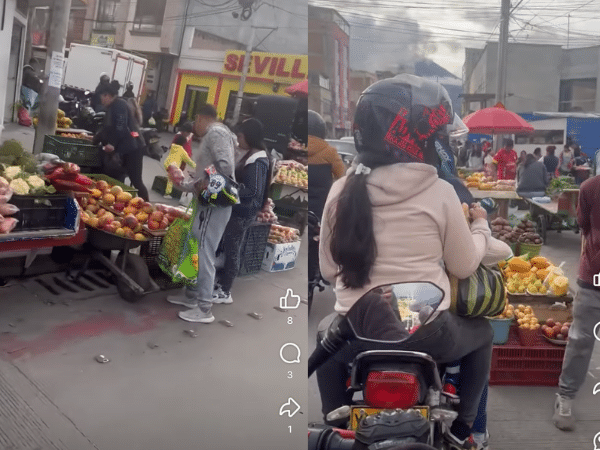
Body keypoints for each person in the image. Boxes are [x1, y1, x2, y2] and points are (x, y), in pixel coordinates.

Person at [318, 74, 494, 450]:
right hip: (425, 330)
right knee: (481, 334)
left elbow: (328, 271)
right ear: (421, 137)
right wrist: (481, 228)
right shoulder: (441, 191)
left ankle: (333, 429)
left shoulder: (341, 190)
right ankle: (465, 428)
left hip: (355, 331)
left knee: (323, 334)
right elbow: (463, 267)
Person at [166, 104, 236, 324]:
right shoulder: (219, 133)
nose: (194, 126)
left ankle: (204, 308)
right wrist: (188, 183)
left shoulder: (216, 132)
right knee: (195, 245)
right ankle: (191, 295)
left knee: (204, 250)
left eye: (196, 120)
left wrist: (196, 182)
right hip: (206, 203)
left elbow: (225, 166)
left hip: (213, 205)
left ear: (202, 117)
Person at [553, 174, 600, 431]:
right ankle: (565, 397)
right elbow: (583, 226)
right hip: (594, 278)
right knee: (581, 340)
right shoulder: (590, 188)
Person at [213, 118, 271, 304]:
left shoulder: (257, 160)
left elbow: (252, 190)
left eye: (240, 135)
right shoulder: (252, 154)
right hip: (239, 210)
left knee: (232, 250)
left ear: (249, 136)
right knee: (228, 248)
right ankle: (221, 284)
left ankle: (225, 290)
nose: (238, 139)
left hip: (243, 212)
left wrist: (229, 189)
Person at [94, 80, 149, 201]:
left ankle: (147, 205)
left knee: (136, 180)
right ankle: (118, 201)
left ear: (107, 95)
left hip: (132, 149)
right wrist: (94, 138)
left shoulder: (119, 105)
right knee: (116, 177)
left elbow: (121, 127)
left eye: (102, 97)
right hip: (124, 149)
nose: (101, 100)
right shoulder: (112, 107)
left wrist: (112, 144)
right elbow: (107, 129)